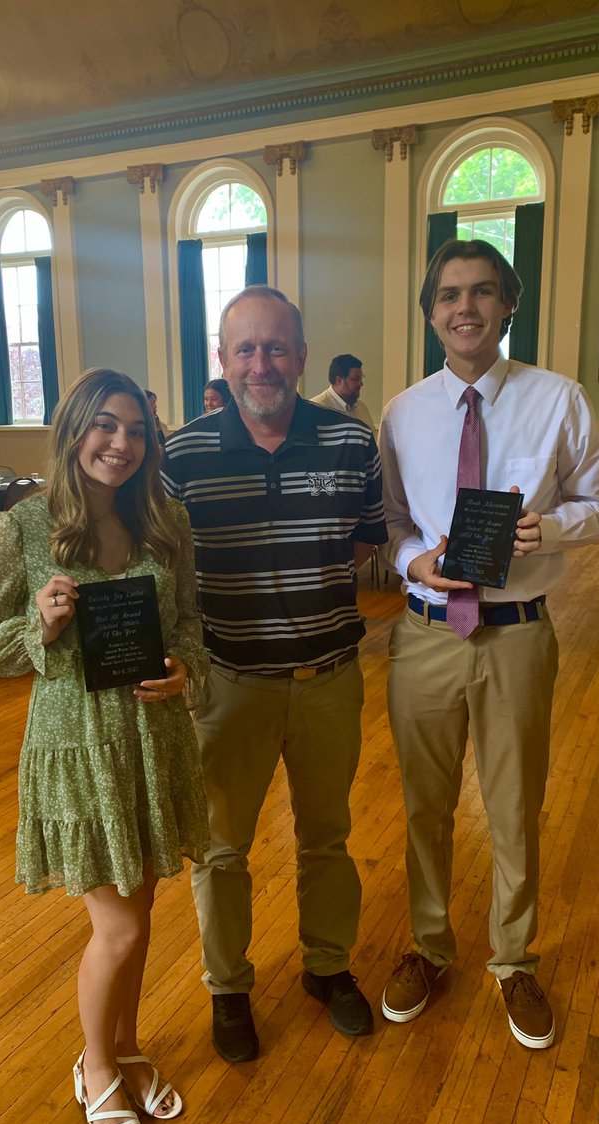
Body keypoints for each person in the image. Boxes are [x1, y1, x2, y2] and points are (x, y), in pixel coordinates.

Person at [0, 368, 209, 1124]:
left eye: (136, 430)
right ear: (72, 431)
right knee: (120, 930)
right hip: (77, 747)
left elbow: (193, 625)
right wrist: (41, 629)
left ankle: (128, 1046)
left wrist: (183, 669)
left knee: (143, 914)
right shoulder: (24, 529)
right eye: (105, 426)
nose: (121, 444)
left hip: (154, 740)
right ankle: (95, 1065)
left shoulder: (166, 520)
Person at [378, 240, 599, 1049]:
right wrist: (415, 560)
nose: (465, 308)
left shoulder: (559, 399)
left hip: (517, 634)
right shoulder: (403, 413)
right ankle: (429, 947)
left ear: (508, 304)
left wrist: (548, 527)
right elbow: (391, 523)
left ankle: (514, 960)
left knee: (515, 807)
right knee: (425, 807)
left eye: (482, 292)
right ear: (431, 312)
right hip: (422, 638)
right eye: (448, 295)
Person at [162, 286, 388, 1063]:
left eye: (277, 346)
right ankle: (228, 987)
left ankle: (327, 967)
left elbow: (363, 543)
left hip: (328, 679)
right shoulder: (180, 455)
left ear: (300, 352)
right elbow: (160, 567)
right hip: (229, 685)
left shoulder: (351, 442)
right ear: (223, 362)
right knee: (221, 850)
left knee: (328, 837)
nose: (262, 363)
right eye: (245, 349)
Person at [310, 354, 378, 436]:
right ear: (338, 380)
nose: (361, 383)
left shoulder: (362, 407)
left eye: (361, 378)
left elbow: (373, 440)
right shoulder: (315, 408)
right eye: (356, 379)